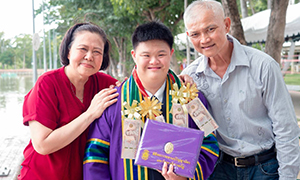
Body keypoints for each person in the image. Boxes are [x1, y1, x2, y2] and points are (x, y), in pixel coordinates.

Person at [83, 21, 219, 180]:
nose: (154, 61)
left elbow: (210, 145)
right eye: (146, 55)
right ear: (134, 56)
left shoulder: (191, 98)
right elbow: (96, 156)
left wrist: (187, 175)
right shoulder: (112, 102)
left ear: (171, 54)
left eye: (161, 55)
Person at [181, 1, 300, 180]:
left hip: (265, 168)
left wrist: (288, 177)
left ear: (227, 25)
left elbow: (286, 128)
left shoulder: (264, 67)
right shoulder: (190, 77)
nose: (204, 39)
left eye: (210, 29)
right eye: (195, 34)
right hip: (218, 169)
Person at [18, 22, 120, 180]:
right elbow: (42, 145)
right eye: (83, 49)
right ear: (68, 51)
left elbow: (133, 95)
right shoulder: (47, 84)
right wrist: (90, 114)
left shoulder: (105, 84)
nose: (89, 56)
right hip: (41, 175)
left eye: (97, 52)